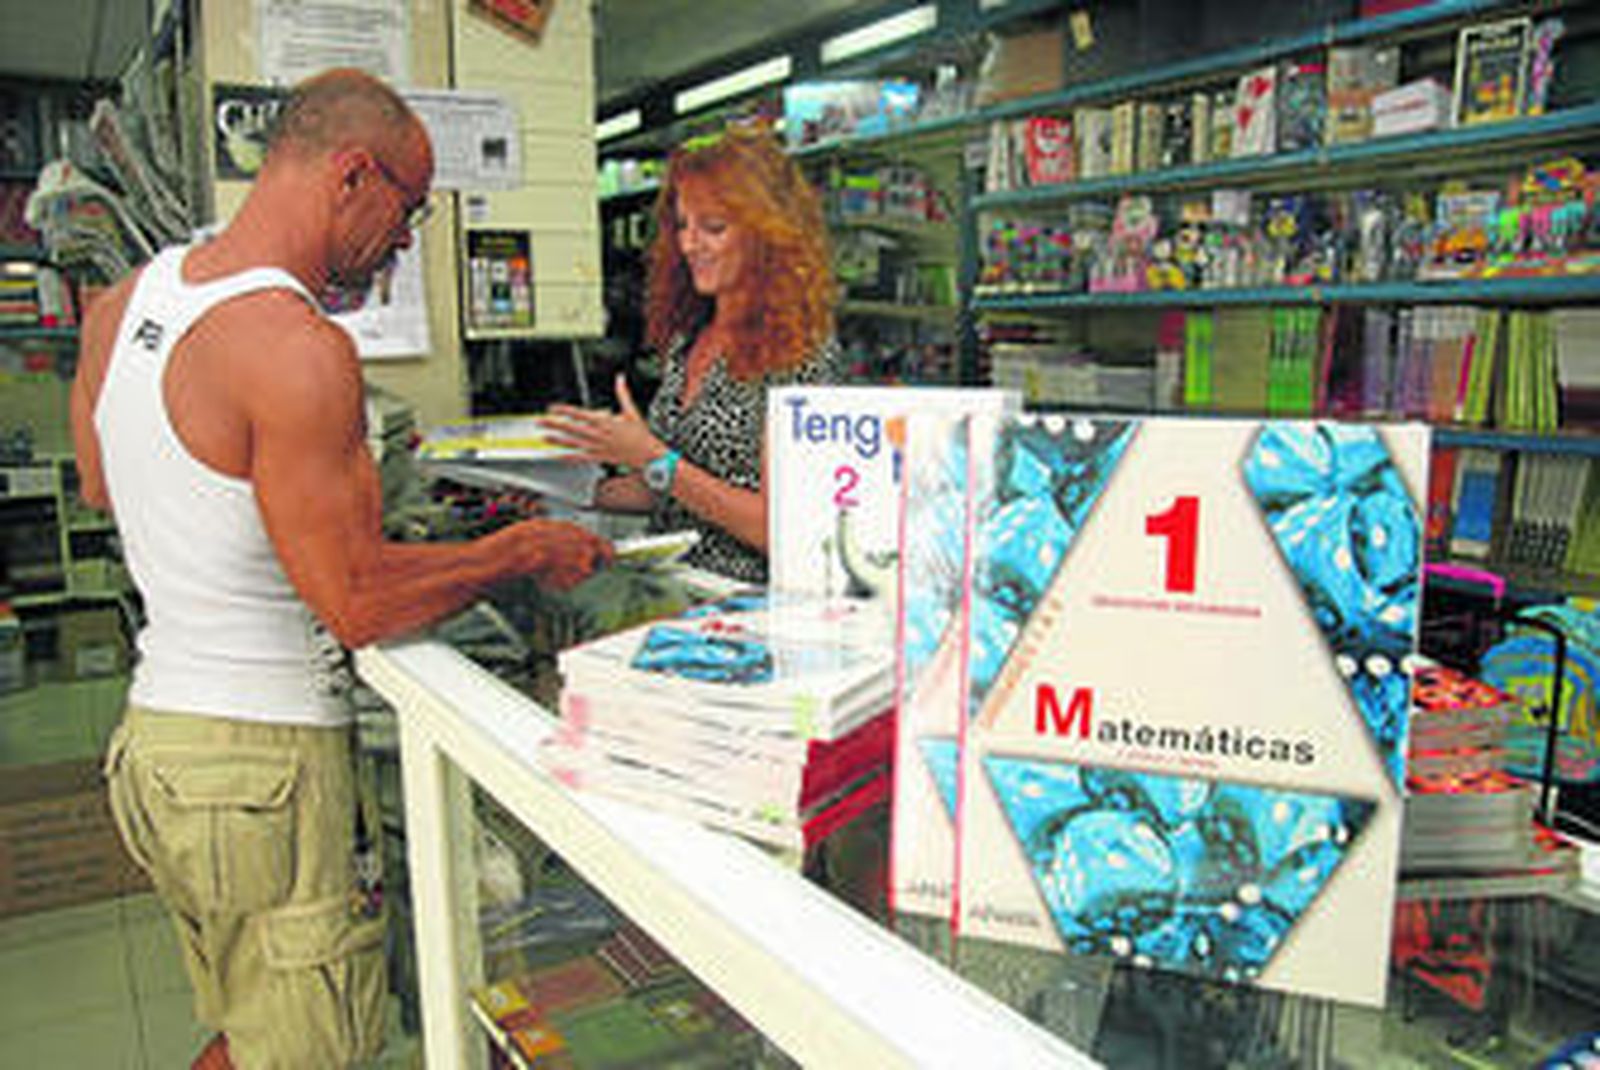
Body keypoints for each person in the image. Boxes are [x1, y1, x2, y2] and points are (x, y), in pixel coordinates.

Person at [70, 69, 612, 1070]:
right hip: (266, 766)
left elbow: (105, 486)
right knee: (309, 1048)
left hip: (160, 751)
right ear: (353, 173)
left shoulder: (121, 305)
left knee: (253, 1026)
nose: (399, 255)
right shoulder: (295, 346)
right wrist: (521, 549)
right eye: (404, 220)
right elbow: (354, 597)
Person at [543, 120, 841, 583]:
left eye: (713, 227)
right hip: (677, 590)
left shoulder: (797, 352)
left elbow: (780, 527)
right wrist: (564, 495)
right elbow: (668, 489)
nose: (688, 244)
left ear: (768, 235)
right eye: (682, 225)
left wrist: (653, 457)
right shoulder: (691, 337)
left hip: (747, 604)